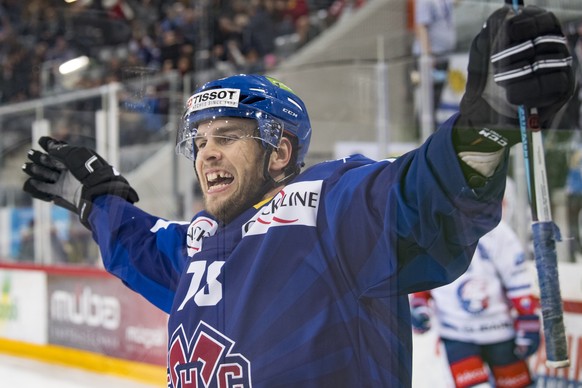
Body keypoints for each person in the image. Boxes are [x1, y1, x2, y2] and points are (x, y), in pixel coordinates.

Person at [20, 5, 573, 387]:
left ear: (279, 152)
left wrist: (485, 128)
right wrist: (99, 200)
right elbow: (140, 243)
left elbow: (424, 199)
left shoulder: (328, 207)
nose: (206, 154)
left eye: (228, 137)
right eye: (201, 141)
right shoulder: (199, 243)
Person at [409, 220, 540, 388]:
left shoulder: (495, 231)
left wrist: (527, 319)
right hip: (456, 335)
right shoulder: (426, 234)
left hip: (500, 332)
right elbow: (421, 281)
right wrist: (420, 308)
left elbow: (517, 278)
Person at [412, 0, 457, 135]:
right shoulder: (425, 2)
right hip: (431, 58)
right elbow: (421, 26)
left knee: (436, 98)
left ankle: (430, 133)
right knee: (427, 98)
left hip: (442, 56)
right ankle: (421, 135)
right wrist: (428, 55)